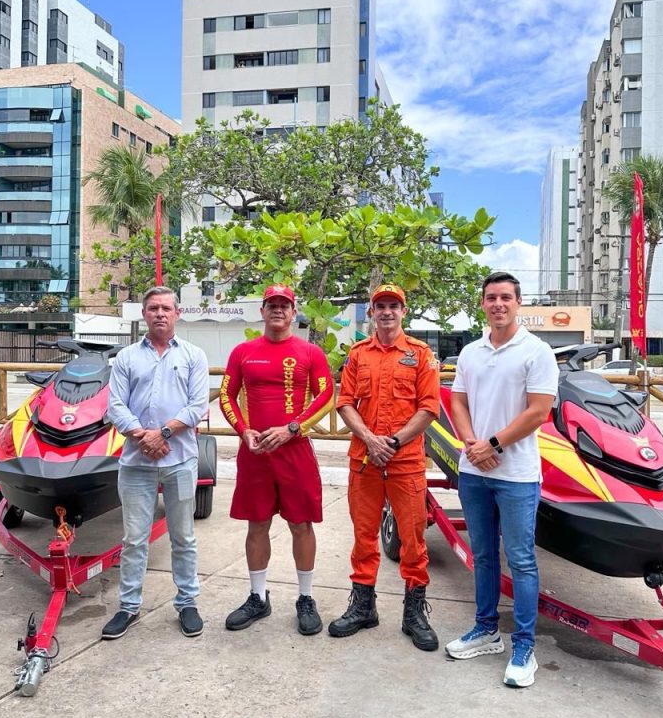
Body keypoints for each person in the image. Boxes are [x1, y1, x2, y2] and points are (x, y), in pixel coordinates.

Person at [446, 271, 558, 687]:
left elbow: (538, 411)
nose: (498, 304)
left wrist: (493, 444)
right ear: (482, 303)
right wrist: (472, 442)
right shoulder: (472, 351)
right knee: (484, 555)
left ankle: (524, 647)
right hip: (473, 471)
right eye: (491, 297)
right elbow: (457, 399)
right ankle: (486, 629)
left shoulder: (537, 351)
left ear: (519, 302)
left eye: (506, 297)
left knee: (522, 559)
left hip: (516, 475)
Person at [328, 283, 440, 651]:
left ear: (403, 312)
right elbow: (344, 403)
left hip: (405, 462)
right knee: (363, 536)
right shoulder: (359, 354)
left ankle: (414, 613)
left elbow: (428, 409)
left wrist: (392, 442)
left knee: (412, 538)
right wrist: (371, 439)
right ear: (372, 313)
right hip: (364, 460)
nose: (387, 312)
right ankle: (363, 607)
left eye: (394, 306)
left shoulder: (421, 355)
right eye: (381, 306)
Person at [219, 284, 334, 636]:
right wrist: (243, 430)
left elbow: (327, 395)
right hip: (255, 454)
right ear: (263, 311)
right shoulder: (242, 352)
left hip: (294, 451)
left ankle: (305, 597)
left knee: (301, 525)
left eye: (284, 305)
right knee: (257, 524)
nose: (278, 310)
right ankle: (258, 597)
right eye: (272, 304)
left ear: (294, 311)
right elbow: (226, 394)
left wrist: (293, 428)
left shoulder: (310, 352)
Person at [102, 286, 210, 641]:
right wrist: (141, 435)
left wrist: (162, 433)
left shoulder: (194, 355)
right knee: (134, 538)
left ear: (177, 313)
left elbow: (197, 405)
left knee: (183, 536)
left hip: (179, 460)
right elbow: (115, 405)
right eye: (153, 308)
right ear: (144, 314)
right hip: (135, 462)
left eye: (166, 308)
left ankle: (188, 602)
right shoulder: (127, 358)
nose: (160, 313)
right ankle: (128, 606)